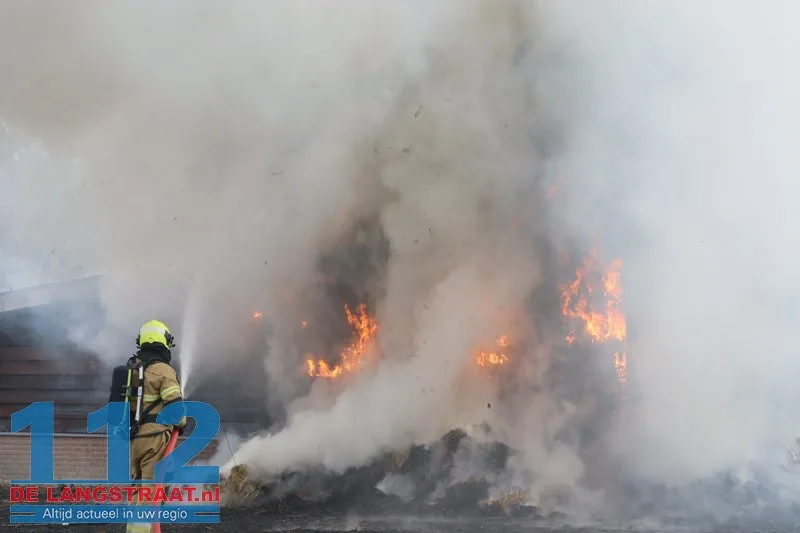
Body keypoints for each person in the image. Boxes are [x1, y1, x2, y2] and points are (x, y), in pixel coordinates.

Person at [126, 320, 187, 533]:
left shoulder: (132, 369)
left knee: (137, 491)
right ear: (165, 342)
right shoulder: (163, 370)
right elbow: (176, 409)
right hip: (155, 437)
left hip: (134, 439)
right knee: (149, 493)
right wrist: (182, 423)